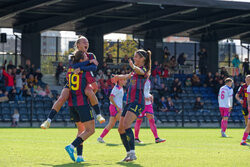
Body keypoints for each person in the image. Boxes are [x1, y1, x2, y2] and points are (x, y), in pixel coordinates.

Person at [40, 36, 105, 129]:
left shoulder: (91, 55)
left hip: (85, 81)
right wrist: (89, 62)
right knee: (62, 97)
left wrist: (81, 68)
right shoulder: (72, 56)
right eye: (84, 42)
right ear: (78, 45)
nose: (87, 43)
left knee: (89, 92)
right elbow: (74, 66)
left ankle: (98, 115)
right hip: (73, 81)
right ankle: (48, 120)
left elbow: (94, 67)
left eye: (87, 42)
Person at [112, 49, 151, 161]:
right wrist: (117, 77)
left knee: (126, 125)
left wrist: (133, 66)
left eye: (136, 57)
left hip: (138, 102)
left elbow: (140, 71)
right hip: (130, 102)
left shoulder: (144, 70)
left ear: (143, 59)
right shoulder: (135, 72)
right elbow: (127, 76)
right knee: (120, 128)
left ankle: (133, 153)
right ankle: (129, 153)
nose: (134, 58)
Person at [64, 51, 96, 162]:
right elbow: (94, 84)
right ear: (82, 60)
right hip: (82, 103)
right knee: (90, 130)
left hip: (72, 104)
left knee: (81, 131)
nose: (89, 56)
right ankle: (71, 146)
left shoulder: (70, 70)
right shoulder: (85, 72)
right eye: (86, 56)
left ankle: (79, 156)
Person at [134, 78, 166, 144]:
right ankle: (136, 138)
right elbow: (137, 92)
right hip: (141, 103)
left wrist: (150, 95)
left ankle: (157, 138)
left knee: (152, 120)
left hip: (148, 104)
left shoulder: (148, 80)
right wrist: (144, 98)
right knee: (139, 120)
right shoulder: (140, 80)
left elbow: (146, 92)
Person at [97, 79, 126, 143]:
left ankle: (100, 137)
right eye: (124, 80)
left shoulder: (120, 88)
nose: (125, 81)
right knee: (124, 123)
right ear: (120, 81)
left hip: (115, 108)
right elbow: (111, 97)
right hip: (115, 108)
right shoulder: (116, 88)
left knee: (111, 124)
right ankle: (127, 139)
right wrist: (117, 107)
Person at [240, 75, 250, 145]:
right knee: (248, 125)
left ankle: (243, 140)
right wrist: (249, 105)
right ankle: (243, 141)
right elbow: (248, 98)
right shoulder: (248, 87)